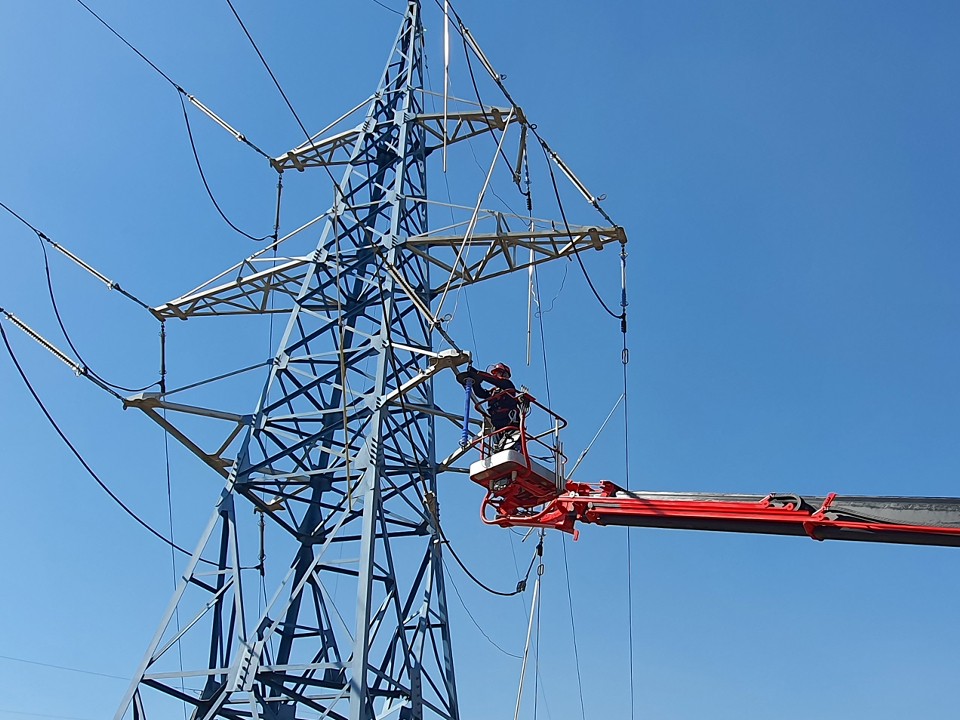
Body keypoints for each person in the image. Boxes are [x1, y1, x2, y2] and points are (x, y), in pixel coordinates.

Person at [469, 362, 522, 451]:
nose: (496, 375)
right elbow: (481, 393)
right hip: (497, 425)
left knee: (512, 446)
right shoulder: (494, 392)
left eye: (498, 372)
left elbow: (495, 380)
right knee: (498, 448)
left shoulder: (508, 386)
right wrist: (475, 383)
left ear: (505, 374)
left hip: (509, 423)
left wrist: (478, 373)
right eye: (495, 373)